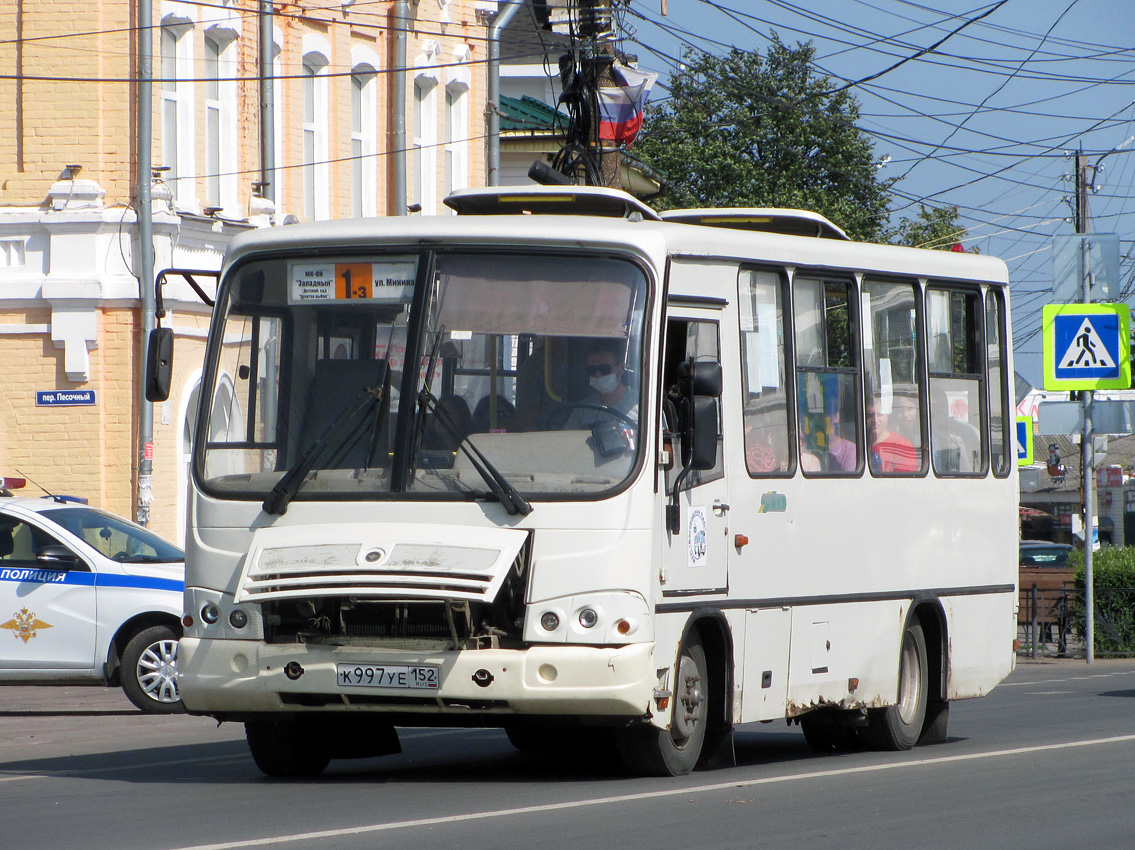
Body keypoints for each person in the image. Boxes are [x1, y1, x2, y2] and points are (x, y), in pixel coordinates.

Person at [563, 340, 638, 430]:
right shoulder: (582, 410)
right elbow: (568, 441)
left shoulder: (643, 403)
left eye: (604, 369)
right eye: (592, 370)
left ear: (621, 368)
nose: (598, 374)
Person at [867, 396, 919, 473]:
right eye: (870, 415)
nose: (875, 420)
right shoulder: (857, 446)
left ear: (887, 415)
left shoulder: (903, 446)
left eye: (880, 414)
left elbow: (906, 482)